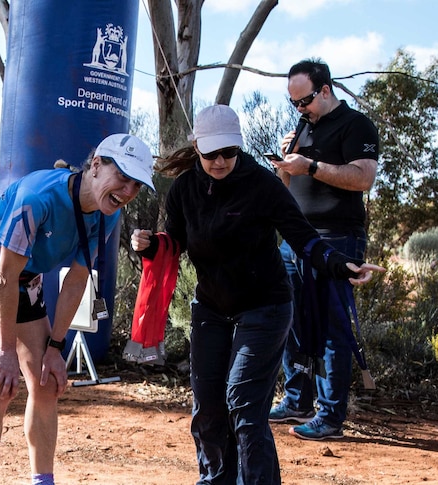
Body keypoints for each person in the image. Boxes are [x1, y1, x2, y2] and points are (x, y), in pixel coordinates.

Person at [130, 105, 384, 484]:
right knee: (209, 409)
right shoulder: (185, 189)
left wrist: (338, 264)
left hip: (264, 306)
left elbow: (303, 237)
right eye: (211, 152)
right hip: (211, 306)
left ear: (239, 147)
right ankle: (215, 479)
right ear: (196, 146)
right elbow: (176, 242)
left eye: (229, 152)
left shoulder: (262, 185)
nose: (220, 161)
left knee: (245, 406)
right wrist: (150, 246)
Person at [0, 133, 156, 485]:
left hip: (24, 281)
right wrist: (7, 352)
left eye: (136, 185)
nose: (128, 192)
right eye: (123, 177)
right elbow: (4, 277)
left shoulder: (106, 213)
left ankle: (43, 481)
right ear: (97, 166)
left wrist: (56, 349)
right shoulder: (38, 197)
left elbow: (74, 282)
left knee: (45, 384)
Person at [269, 58, 381, 441]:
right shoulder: (303, 129)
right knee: (291, 320)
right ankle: (297, 399)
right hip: (296, 238)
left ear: (326, 90)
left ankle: (330, 415)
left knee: (332, 326)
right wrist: (286, 164)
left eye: (305, 101)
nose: (300, 110)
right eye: (294, 104)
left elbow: (363, 178)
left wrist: (312, 165)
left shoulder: (356, 125)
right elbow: (285, 186)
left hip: (337, 237)